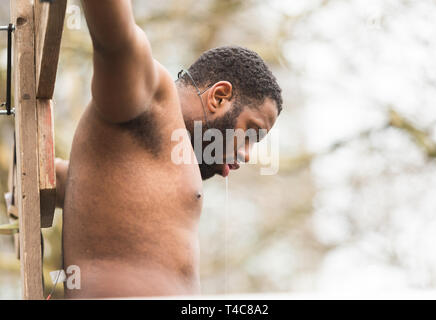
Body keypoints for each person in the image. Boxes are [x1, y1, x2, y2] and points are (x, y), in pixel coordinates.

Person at [59, 0, 283, 298]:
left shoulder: (148, 159)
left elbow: (92, 187)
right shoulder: (150, 99)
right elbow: (116, 38)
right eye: (250, 133)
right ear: (219, 97)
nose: (246, 155)